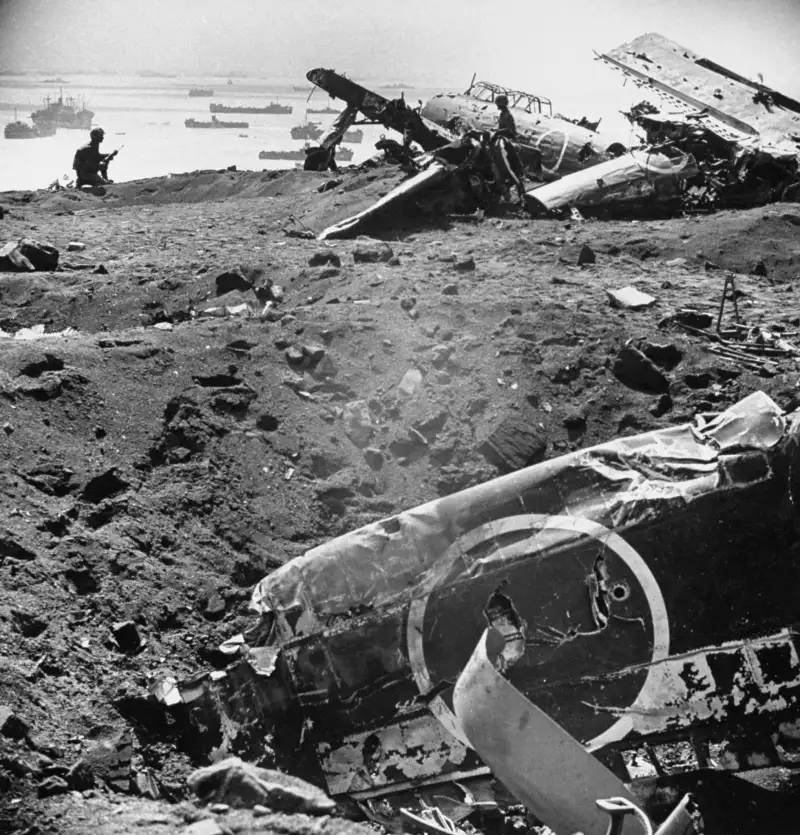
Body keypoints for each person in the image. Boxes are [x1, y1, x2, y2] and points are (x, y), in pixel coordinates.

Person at [492, 95, 526, 200]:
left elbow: (511, 130)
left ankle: (521, 196)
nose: (497, 106)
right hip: (502, 139)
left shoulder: (507, 115)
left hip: (507, 142)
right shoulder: (503, 114)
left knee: (512, 171)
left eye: (498, 103)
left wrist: (497, 132)